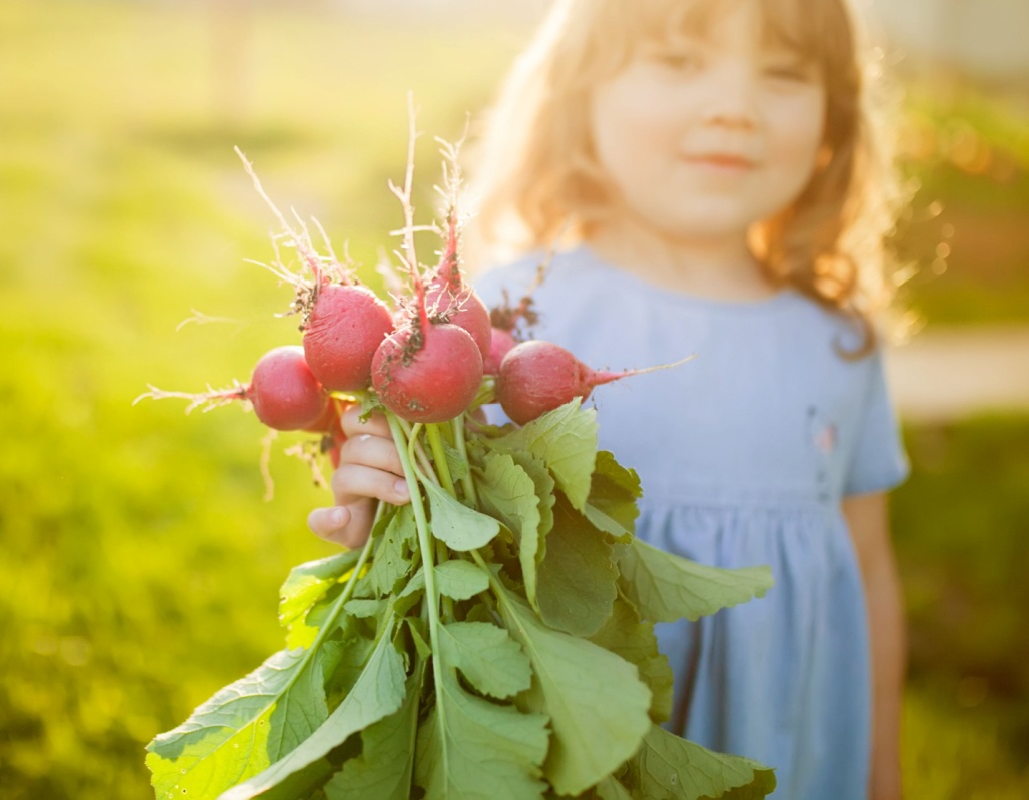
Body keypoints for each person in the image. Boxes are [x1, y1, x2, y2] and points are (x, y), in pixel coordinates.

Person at [307, 0, 911, 798]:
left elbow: (867, 571)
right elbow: (440, 527)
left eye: (785, 74)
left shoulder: (839, 342)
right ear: (580, 92)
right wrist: (379, 502)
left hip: (791, 744)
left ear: (835, 115)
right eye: (680, 61)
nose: (734, 105)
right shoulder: (505, 318)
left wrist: (882, 769)